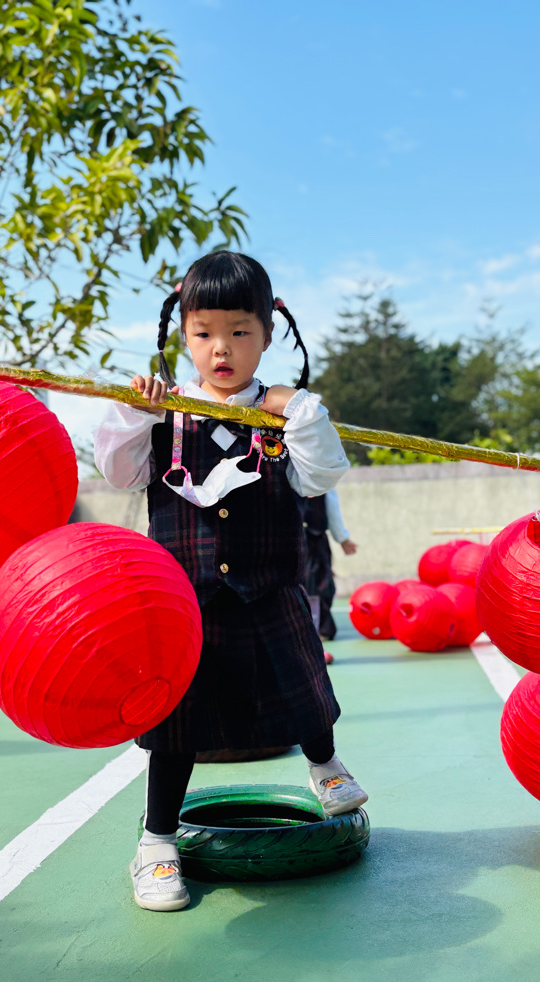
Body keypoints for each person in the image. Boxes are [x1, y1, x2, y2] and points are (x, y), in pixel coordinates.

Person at [93, 252, 368, 913]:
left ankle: (326, 768)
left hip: (270, 588)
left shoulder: (283, 418)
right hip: (185, 602)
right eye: (205, 332)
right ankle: (157, 845)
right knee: (176, 729)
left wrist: (301, 410)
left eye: (240, 331)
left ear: (267, 335)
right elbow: (118, 474)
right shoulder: (163, 415)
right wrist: (134, 413)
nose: (222, 348)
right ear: (183, 338)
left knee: (304, 687)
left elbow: (320, 477)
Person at [300, 489, 358, 657]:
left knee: (316, 585)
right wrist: (342, 537)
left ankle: (317, 630)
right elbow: (332, 506)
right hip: (303, 537)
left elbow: (331, 506)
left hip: (310, 537)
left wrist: (342, 537)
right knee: (314, 585)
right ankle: (314, 631)